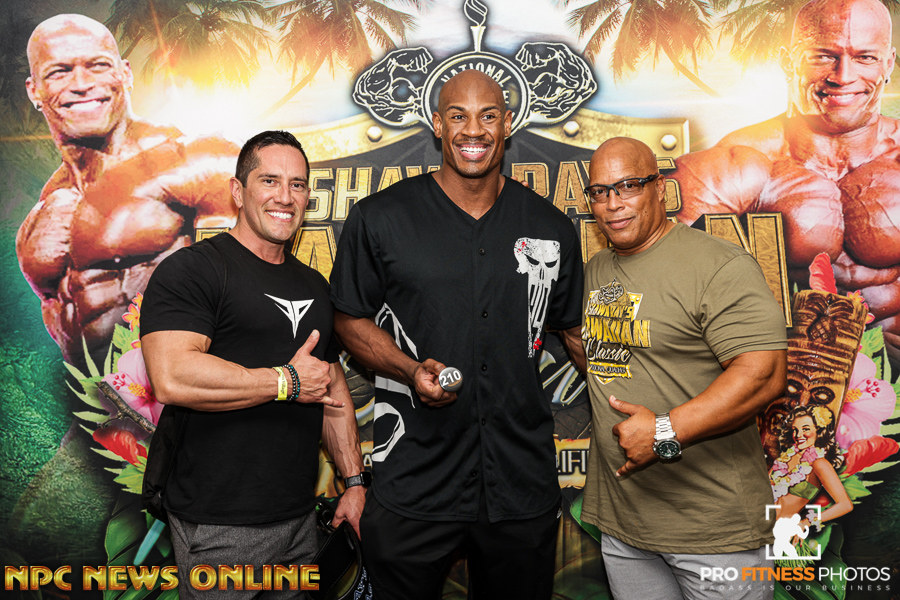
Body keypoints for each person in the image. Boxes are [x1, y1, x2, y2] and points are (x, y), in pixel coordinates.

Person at [329, 69, 586, 600]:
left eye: (488, 115)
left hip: (519, 484)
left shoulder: (551, 227)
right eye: (458, 116)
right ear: (437, 124)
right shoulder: (381, 218)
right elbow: (348, 319)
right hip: (416, 480)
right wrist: (408, 370)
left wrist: (642, 403)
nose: (474, 130)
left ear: (508, 123)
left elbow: (575, 334)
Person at [140, 130, 365, 598]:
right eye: (269, 181)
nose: (285, 196)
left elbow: (329, 384)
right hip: (219, 525)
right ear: (238, 191)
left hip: (300, 520)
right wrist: (285, 382)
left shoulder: (314, 284)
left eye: (297, 184)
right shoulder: (194, 270)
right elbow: (172, 376)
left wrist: (354, 481)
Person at [581, 136, 787, 599]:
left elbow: (765, 374)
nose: (613, 204)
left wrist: (662, 431)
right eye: (600, 191)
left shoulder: (717, 264)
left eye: (629, 186)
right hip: (627, 525)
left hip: (714, 530)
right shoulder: (597, 270)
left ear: (660, 189)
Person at [670, 0, 900, 372]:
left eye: (865, 58)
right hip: (770, 379)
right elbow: (657, 282)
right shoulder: (740, 162)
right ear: (787, 60)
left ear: (888, 63)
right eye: (823, 56)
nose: (843, 76)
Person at [18, 14, 237, 368]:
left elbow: (259, 289)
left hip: (198, 391)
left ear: (125, 73)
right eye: (59, 72)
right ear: (34, 90)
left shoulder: (195, 163)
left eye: (98, 66)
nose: (82, 84)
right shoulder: (43, 212)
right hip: (104, 398)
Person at [769, 405, 852, 532]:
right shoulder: (786, 457)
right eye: (795, 430)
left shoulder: (819, 464)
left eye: (805, 429)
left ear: (819, 430)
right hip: (756, 523)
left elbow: (845, 505)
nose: (798, 435)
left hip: (780, 531)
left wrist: (806, 523)